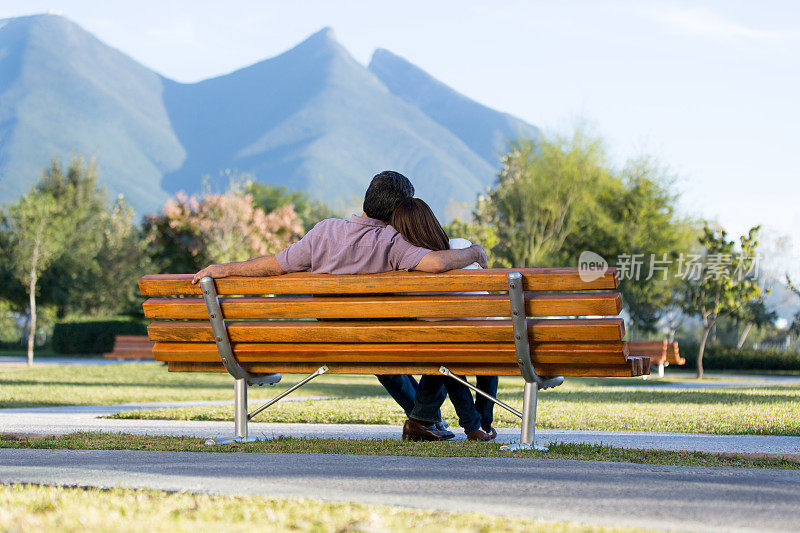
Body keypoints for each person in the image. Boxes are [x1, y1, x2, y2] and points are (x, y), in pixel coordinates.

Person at [192, 170, 487, 441]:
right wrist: (474, 252)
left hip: (332, 339)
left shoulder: (324, 231)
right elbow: (435, 263)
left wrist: (222, 268)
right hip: (384, 340)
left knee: (381, 350)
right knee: (432, 340)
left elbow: (275, 265)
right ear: (399, 209)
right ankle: (427, 419)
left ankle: (424, 420)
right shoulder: (392, 241)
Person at [389, 198, 498, 441]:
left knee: (446, 354)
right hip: (486, 341)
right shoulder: (461, 247)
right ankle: (481, 425)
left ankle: (458, 423)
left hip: (436, 344)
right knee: (457, 351)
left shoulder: (406, 267)